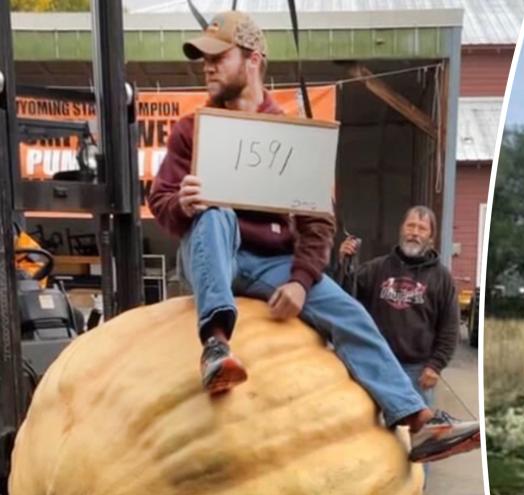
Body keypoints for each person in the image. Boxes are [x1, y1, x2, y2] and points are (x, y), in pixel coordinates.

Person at [147, 10, 478, 463]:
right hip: (214, 254)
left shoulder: (292, 135)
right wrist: (180, 204)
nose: (206, 67)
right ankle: (216, 346)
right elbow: (160, 200)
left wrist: (302, 281)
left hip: (271, 263)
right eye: (202, 59)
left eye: (217, 57)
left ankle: (415, 420)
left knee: (352, 314)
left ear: (252, 60)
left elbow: (318, 223)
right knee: (215, 214)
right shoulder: (193, 130)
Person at [338, 206, 459, 408]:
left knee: (417, 435)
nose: (414, 232)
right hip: (378, 365)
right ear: (401, 229)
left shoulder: (442, 277)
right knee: (376, 431)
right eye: (410, 226)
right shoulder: (376, 268)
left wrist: (435, 366)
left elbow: (450, 327)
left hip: (417, 372)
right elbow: (345, 297)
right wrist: (344, 261)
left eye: (422, 228)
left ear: (431, 237)